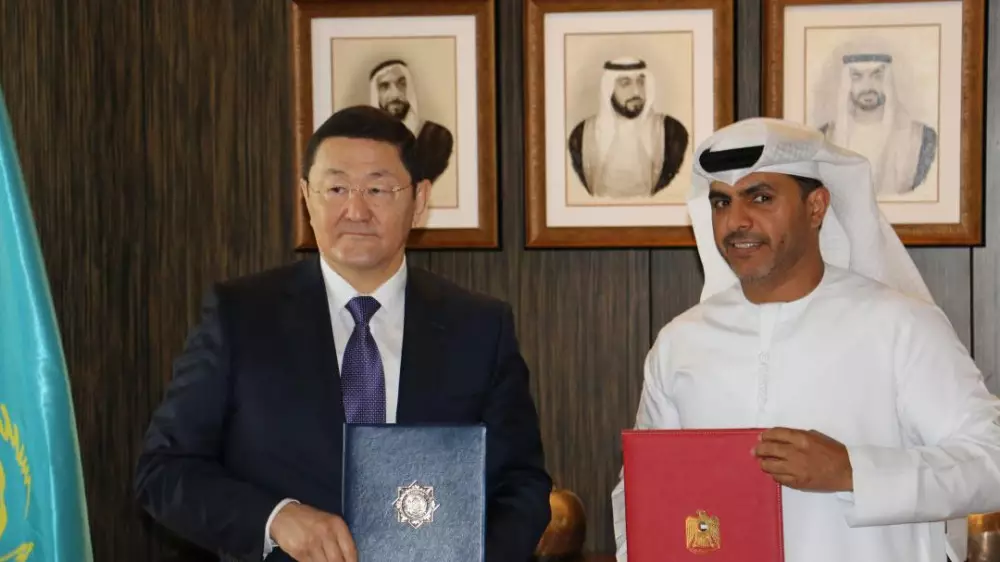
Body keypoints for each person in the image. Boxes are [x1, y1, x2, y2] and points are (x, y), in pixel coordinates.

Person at [134, 105, 551, 562]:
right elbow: (164, 471)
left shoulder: (479, 327)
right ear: (306, 197)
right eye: (336, 188)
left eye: (377, 189)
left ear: (419, 200)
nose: (356, 210)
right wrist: (275, 519)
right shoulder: (240, 316)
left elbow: (522, 486)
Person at [610, 117, 1000, 562]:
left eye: (760, 197)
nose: (736, 221)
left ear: (816, 207)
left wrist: (853, 471)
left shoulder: (901, 326)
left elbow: (991, 460)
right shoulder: (681, 342)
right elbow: (642, 488)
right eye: (721, 202)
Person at [816, 47, 937, 196]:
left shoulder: (921, 138)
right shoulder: (823, 138)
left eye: (877, 76)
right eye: (857, 77)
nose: (867, 87)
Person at [567, 57, 688, 198]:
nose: (637, 92)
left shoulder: (672, 132)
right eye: (625, 84)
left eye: (641, 82)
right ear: (609, 89)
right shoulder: (581, 135)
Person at [369, 59, 454, 184]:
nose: (395, 94)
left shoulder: (438, 137)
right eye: (384, 87)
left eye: (402, 84)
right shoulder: (366, 143)